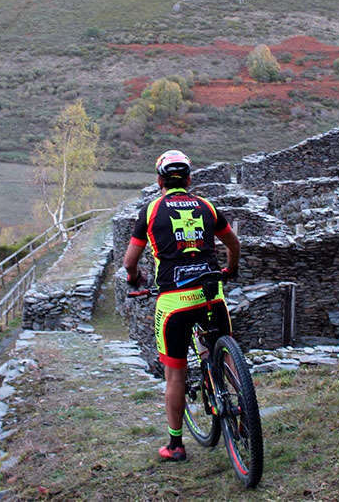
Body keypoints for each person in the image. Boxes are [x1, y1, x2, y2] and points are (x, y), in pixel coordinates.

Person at [123, 149, 240, 463]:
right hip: (211, 294)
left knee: (174, 376)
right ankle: (240, 406)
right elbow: (233, 244)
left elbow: (130, 261)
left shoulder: (150, 211)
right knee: (224, 355)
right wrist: (231, 269)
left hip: (174, 302)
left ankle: (175, 445)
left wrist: (136, 278)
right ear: (188, 179)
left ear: (160, 181)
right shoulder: (206, 206)